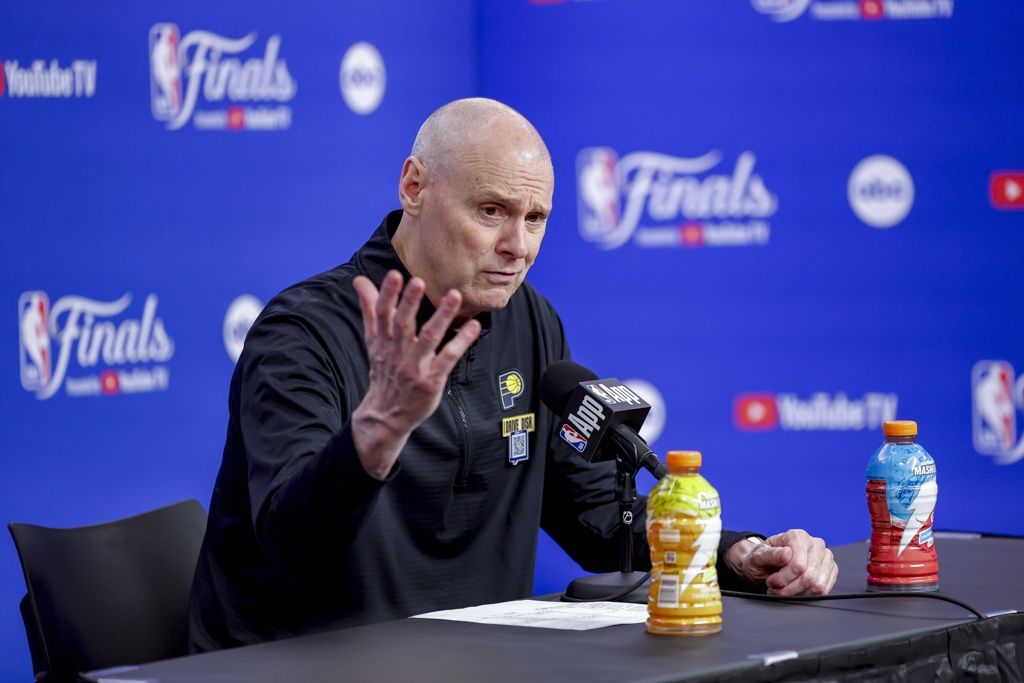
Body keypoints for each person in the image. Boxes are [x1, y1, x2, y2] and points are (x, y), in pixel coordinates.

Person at [188, 98, 838, 652]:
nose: (518, 247)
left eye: (535, 218)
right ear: (414, 187)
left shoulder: (530, 319)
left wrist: (734, 553)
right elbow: (289, 544)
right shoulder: (303, 333)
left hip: (478, 664)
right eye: (492, 211)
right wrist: (377, 433)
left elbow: (593, 514)